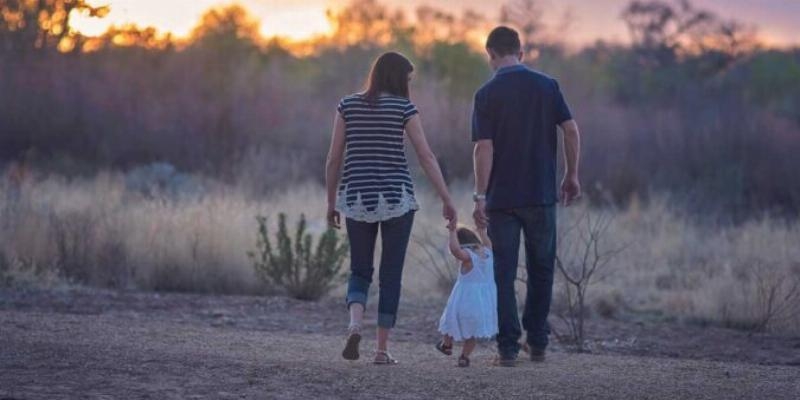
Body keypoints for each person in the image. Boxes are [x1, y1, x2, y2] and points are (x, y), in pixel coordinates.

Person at [325, 51, 457, 365]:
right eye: (408, 79)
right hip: (397, 198)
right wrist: (447, 198)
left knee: (359, 269)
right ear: (398, 78)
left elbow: (333, 159)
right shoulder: (404, 108)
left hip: (356, 197)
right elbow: (425, 156)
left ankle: (355, 324)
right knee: (391, 274)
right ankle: (381, 350)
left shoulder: (347, 105)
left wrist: (331, 202)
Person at [471, 26, 582, 366]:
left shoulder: (486, 94)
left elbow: (483, 149)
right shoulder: (547, 86)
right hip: (540, 194)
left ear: (490, 54)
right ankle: (537, 342)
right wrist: (571, 174)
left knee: (502, 273)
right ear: (521, 52)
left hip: (502, 199)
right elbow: (571, 130)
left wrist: (479, 196)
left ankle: (507, 348)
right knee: (541, 268)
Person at [435, 225, 498, 367]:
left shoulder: (468, 257)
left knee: (450, 320)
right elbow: (487, 241)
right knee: (472, 332)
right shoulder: (488, 251)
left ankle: (447, 344)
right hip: (483, 302)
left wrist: (452, 232)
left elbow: (456, 250)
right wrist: (482, 230)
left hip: (465, 300)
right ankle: (464, 356)